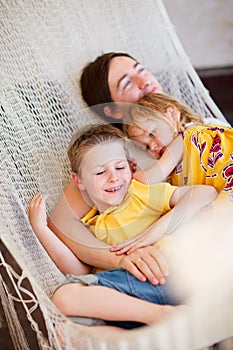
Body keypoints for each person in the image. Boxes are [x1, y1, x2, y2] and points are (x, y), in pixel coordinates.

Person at [29, 123, 217, 329]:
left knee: (65, 297)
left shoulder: (140, 194)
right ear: (79, 181)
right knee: (66, 322)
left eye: (120, 167)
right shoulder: (90, 226)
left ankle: (163, 316)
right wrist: (41, 229)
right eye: (100, 172)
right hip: (131, 296)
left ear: (131, 167)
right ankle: (165, 321)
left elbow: (205, 193)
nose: (114, 177)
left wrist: (148, 237)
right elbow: (81, 273)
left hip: (167, 272)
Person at [123, 93, 233, 194]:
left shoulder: (185, 139)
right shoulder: (204, 131)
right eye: (146, 147)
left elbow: (148, 178)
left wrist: (121, 175)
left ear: (172, 114)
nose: (152, 146)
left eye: (151, 134)